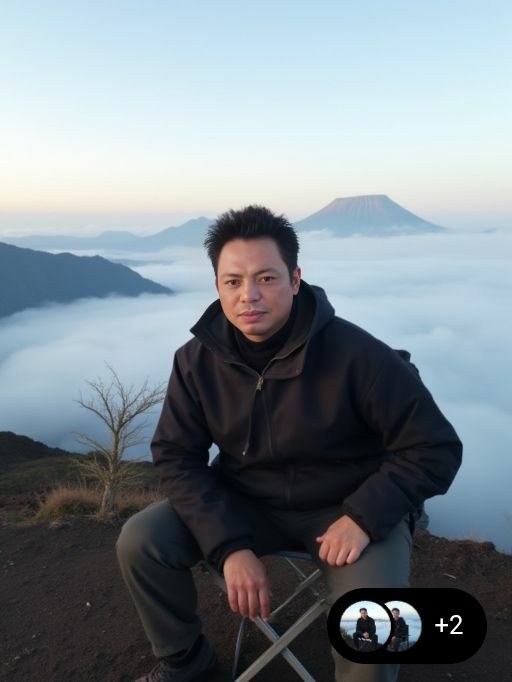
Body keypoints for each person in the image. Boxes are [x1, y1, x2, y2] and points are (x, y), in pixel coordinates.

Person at [116, 205, 462, 682]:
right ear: (217, 286)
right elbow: (176, 456)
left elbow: (435, 447)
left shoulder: (359, 356)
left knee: (374, 621)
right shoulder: (197, 361)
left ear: (295, 279)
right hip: (245, 500)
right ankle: (186, 665)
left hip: (347, 508)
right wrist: (228, 546)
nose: (249, 295)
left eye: (266, 278)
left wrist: (363, 517)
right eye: (233, 281)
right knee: (141, 540)